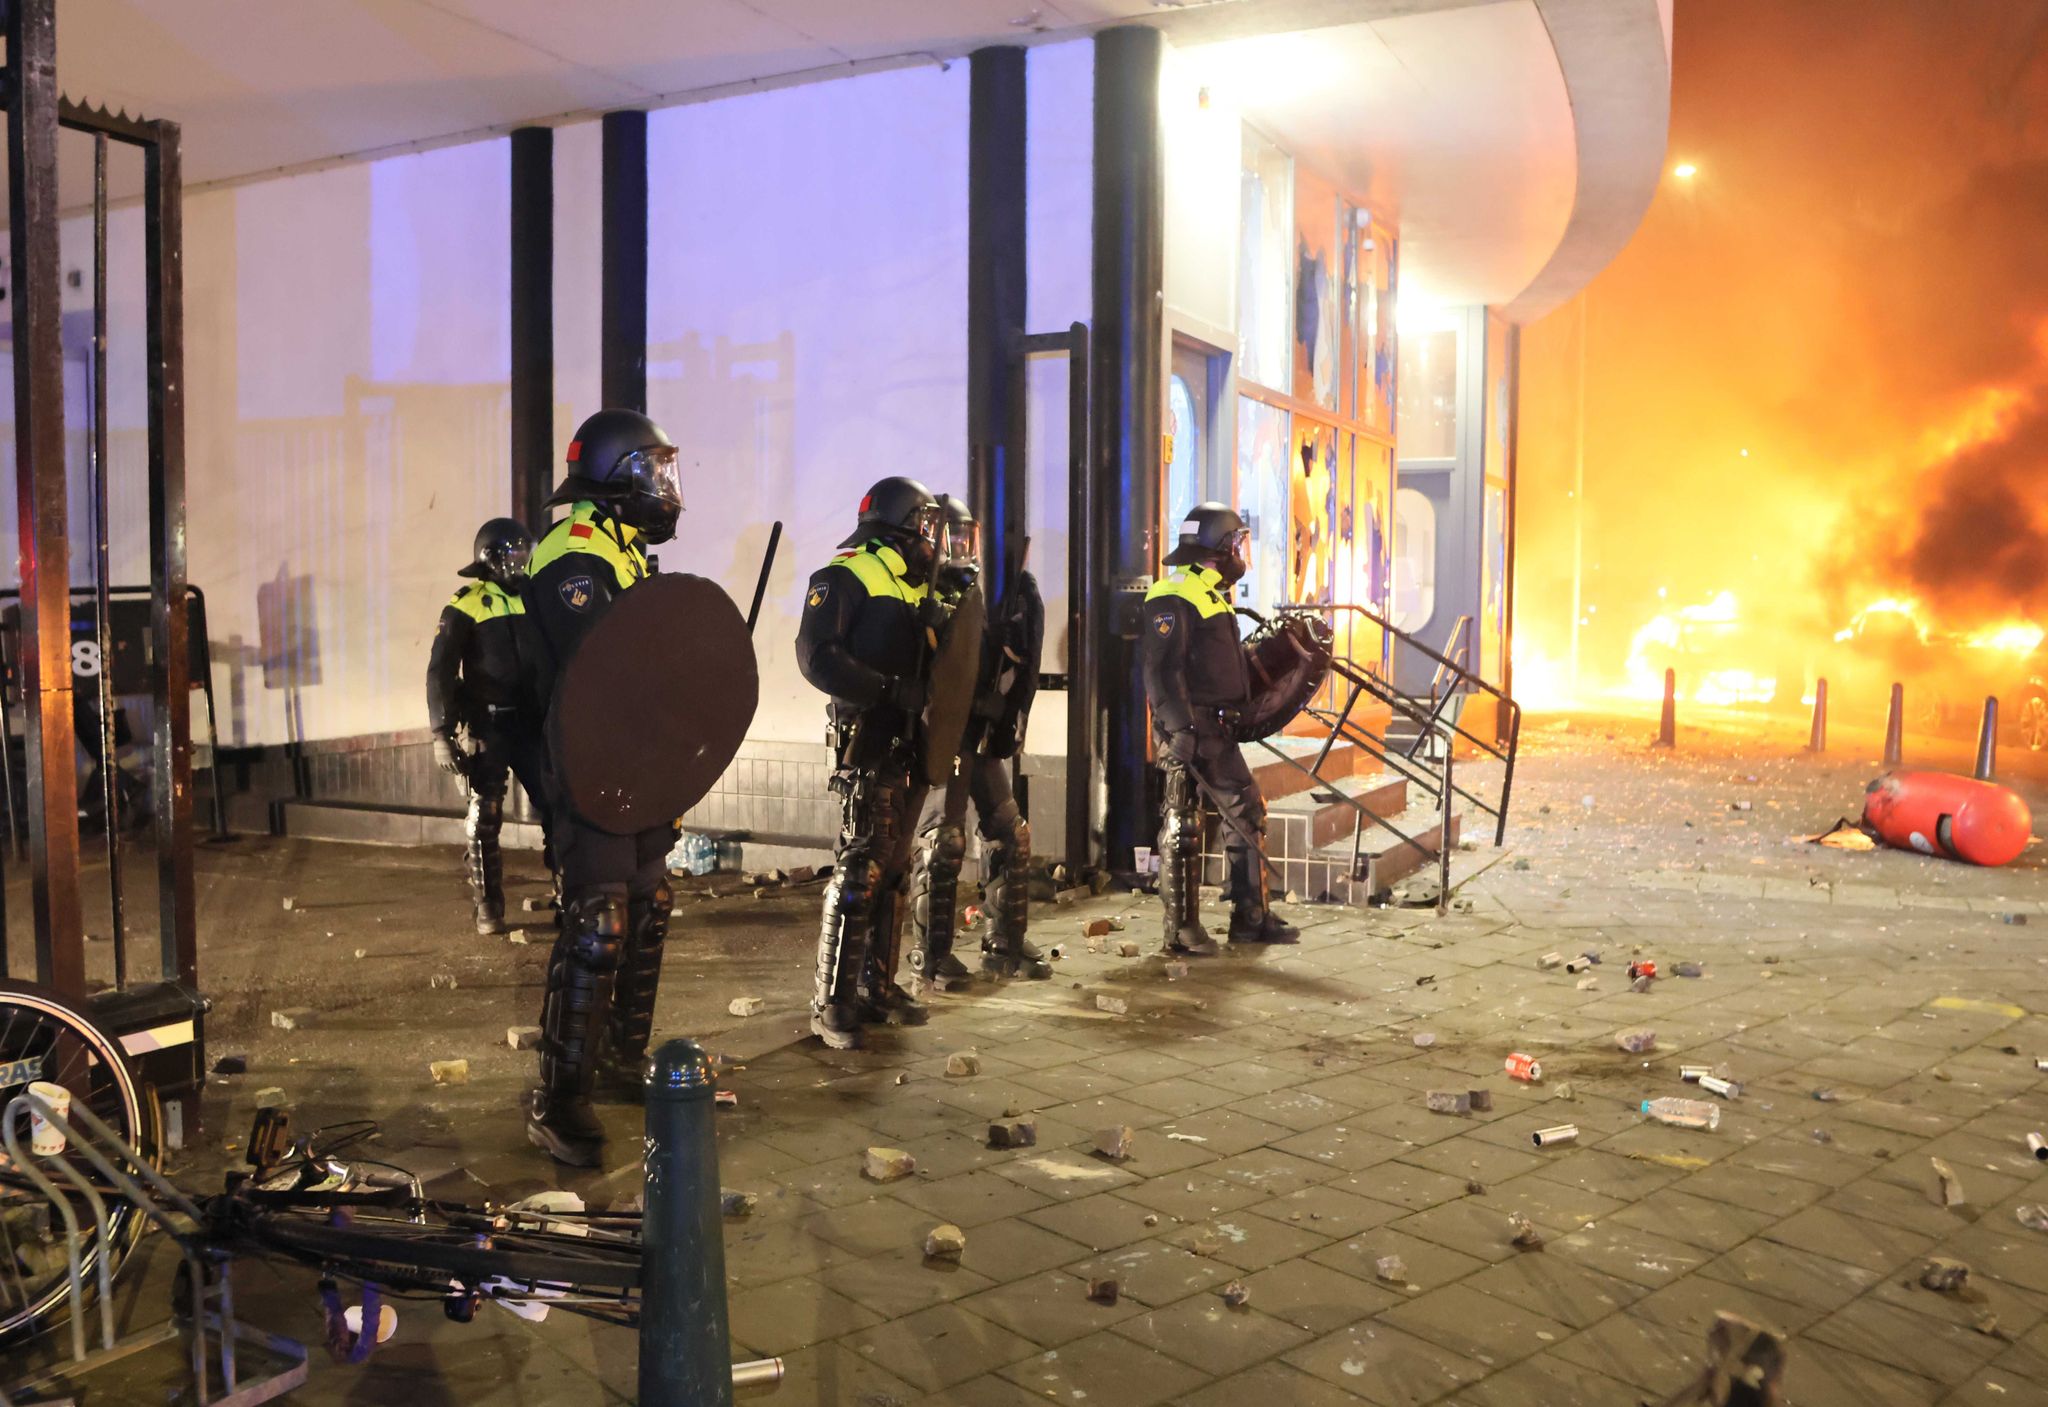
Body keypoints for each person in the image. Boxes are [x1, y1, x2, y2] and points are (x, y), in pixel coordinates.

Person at [520, 409, 684, 1166]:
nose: (666, 487)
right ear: (617, 476)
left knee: (649, 908)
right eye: (653, 470)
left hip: (638, 765)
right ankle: (558, 1102)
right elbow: (603, 662)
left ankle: (621, 1065)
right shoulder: (572, 554)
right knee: (597, 925)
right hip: (588, 765)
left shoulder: (623, 552)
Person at [795, 477, 947, 1049]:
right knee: (861, 869)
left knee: (896, 868)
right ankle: (831, 1002)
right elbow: (816, 657)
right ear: (901, 523)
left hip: (910, 741)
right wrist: (886, 690)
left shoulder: (908, 582)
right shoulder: (844, 573)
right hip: (867, 737)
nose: (932, 537)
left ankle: (877, 988)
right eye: (925, 524)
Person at [1141, 502, 1299, 954]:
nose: (1240, 552)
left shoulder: (1211, 592)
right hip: (1189, 728)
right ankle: (1181, 930)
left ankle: (1250, 917)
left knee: (1246, 811)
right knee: (1182, 824)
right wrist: (1180, 728)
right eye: (1236, 543)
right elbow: (1161, 671)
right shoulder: (1171, 594)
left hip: (1217, 729)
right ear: (1219, 545)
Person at [907, 495, 1050, 987]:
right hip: (945, 733)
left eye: (969, 538)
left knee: (1011, 833)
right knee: (943, 842)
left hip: (982, 732)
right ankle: (931, 954)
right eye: (955, 537)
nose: (962, 549)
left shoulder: (1000, 592)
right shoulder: (931, 591)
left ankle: (1003, 943)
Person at [426, 518, 549, 936]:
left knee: (557, 807)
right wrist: (442, 735)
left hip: (532, 723)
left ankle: (572, 902)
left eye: (524, 555)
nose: (521, 564)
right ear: (491, 560)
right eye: (514, 556)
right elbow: (439, 672)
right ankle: (488, 908)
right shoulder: (466, 604)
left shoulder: (534, 598)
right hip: (487, 725)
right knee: (485, 818)